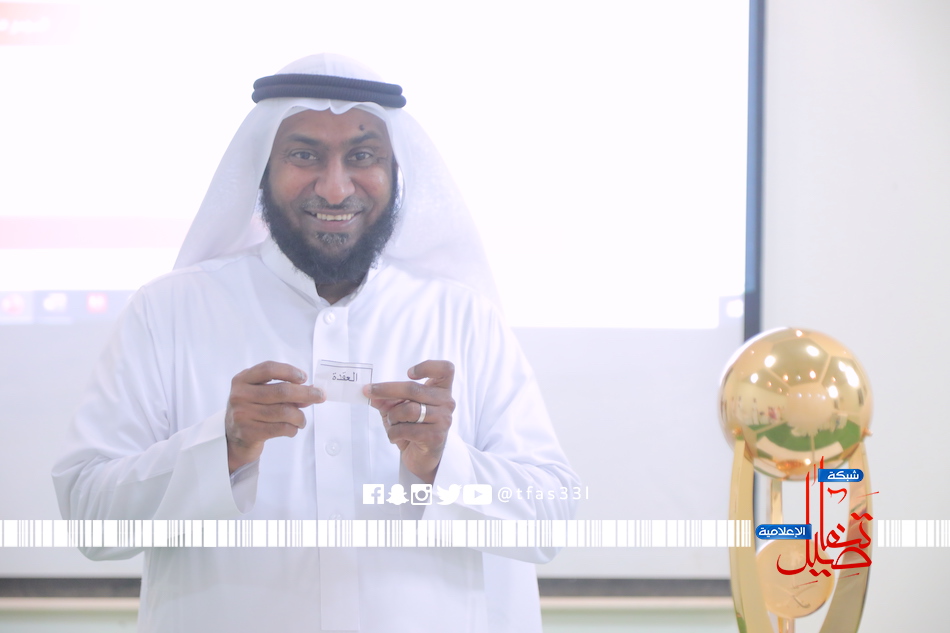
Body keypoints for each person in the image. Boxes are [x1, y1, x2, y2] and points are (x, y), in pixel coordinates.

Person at [52, 53, 578, 633]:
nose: (335, 188)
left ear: (395, 171)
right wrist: (223, 447)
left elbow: (551, 518)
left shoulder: (462, 317)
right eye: (304, 155)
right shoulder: (170, 311)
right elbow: (89, 517)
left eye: (363, 156)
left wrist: (441, 465)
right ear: (262, 169)